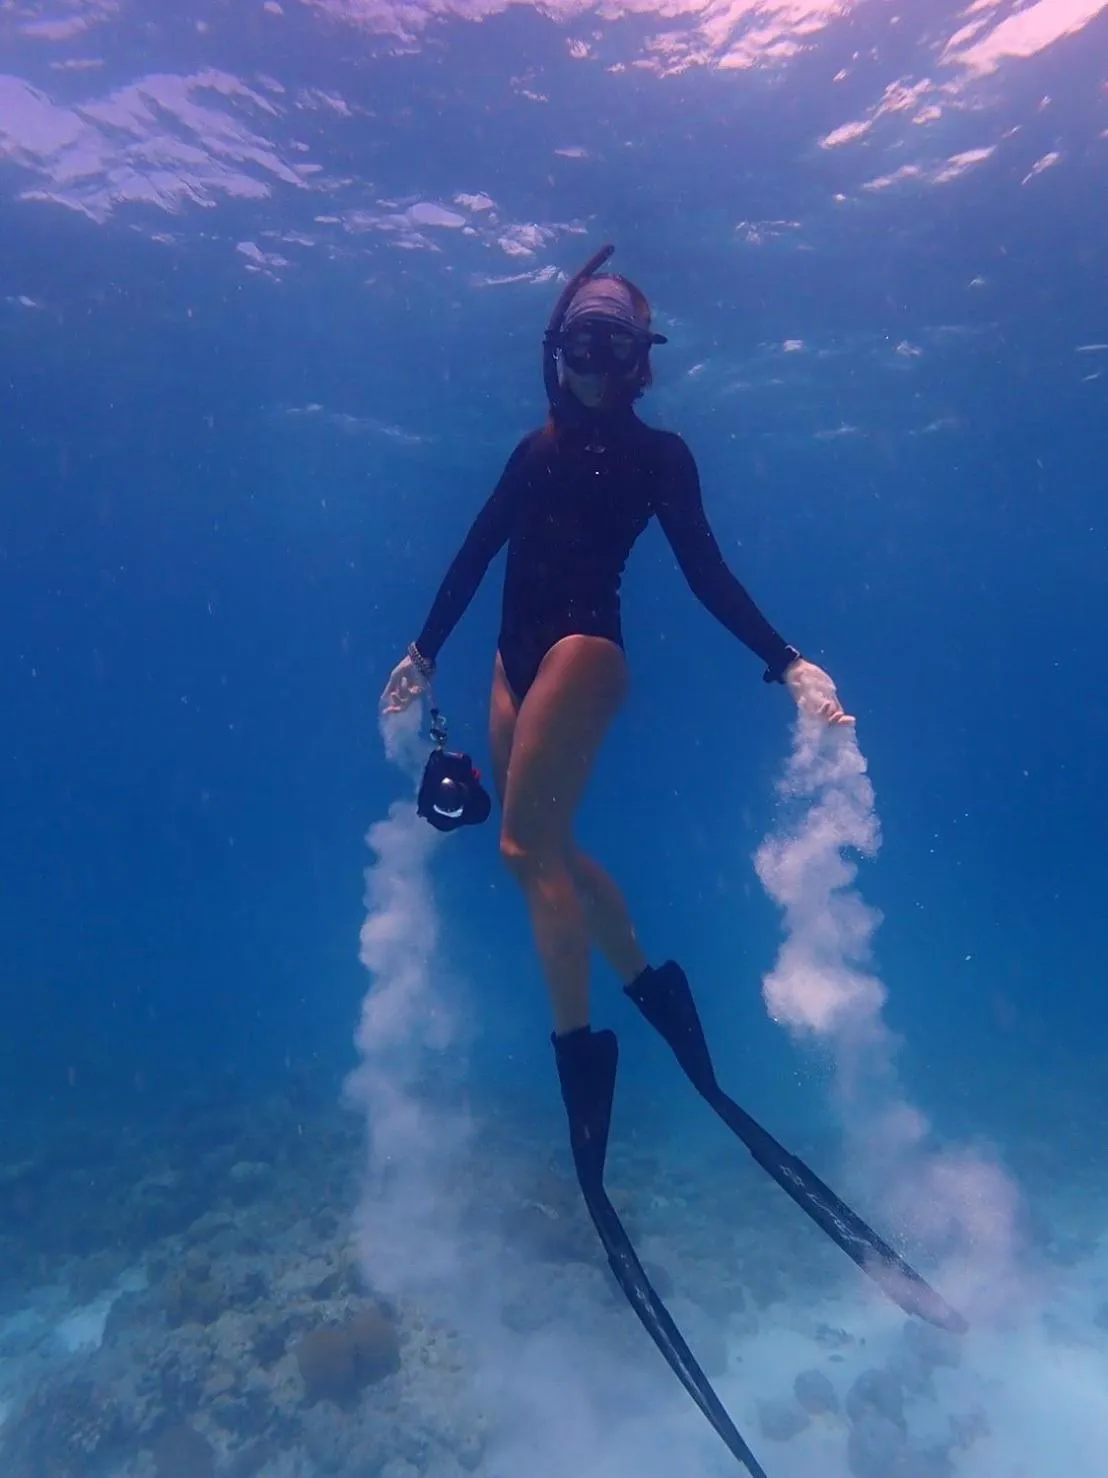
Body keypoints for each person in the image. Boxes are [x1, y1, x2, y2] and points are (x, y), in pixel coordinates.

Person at [380, 248, 959, 1474]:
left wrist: (786, 658)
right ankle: (660, 1006)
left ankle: (586, 1091)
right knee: (540, 848)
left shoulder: (657, 455)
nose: (596, 363)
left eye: (617, 345)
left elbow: (700, 567)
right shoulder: (531, 453)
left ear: (643, 360)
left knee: (527, 846)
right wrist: (422, 651)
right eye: (579, 343)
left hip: (586, 649)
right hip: (505, 659)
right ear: (557, 348)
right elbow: (478, 550)